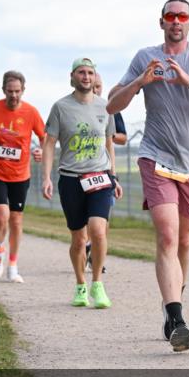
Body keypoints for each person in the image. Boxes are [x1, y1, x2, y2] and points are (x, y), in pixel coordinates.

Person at [107, 0, 189, 352]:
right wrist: (140, 80)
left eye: (182, 16)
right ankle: (178, 317)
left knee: (184, 241)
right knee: (167, 236)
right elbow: (112, 104)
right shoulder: (144, 56)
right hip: (156, 156)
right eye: (170, 16)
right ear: (161, 21)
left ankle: (171, 307)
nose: (176, 21)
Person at [42, 58, 122, 308]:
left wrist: (114, 175)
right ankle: (80, 285)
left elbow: (109, 144)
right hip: (70, 179)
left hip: (99, 177)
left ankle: (97, 284)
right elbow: (48, 143)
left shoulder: (105, 107)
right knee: (78, 239)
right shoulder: (60, 107)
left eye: (90, 72)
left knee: (98, 231)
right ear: (72, 76)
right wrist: (46, 177)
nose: (86, 76)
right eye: (81, 72)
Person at [0, 70, 47, 283]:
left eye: (17, 91)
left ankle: (13, 265)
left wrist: (41, 151)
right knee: (0, 215)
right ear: (3, 89)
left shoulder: (31, 112)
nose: (13, 95)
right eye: (10, 91)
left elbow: (45, 138)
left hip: (20, 174)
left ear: (23, 90)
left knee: (16, 219)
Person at [85, 74, 127, 273]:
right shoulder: (78, 108)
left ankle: (95, 252)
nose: (96, 90)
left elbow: (123, 138)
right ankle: (87, 244)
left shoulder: (110, 108)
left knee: (104, 217)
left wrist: (107, 134)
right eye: (93, 86)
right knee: (86, 217)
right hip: (83, 169)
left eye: (99, 86)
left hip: (105, 169)